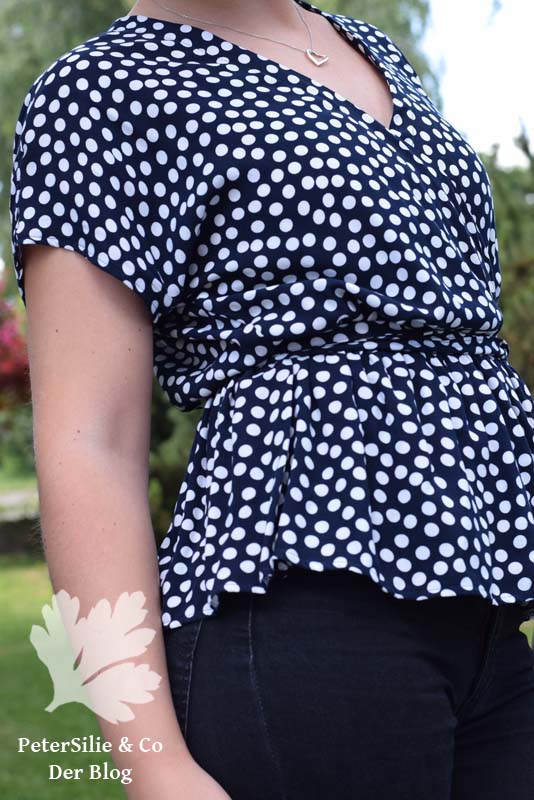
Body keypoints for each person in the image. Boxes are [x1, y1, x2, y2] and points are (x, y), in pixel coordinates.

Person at [9, 0, 534, 798]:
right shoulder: (102, 90)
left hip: (485, 627)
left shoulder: (369, 48)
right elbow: (90, 445)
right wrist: (152, 764)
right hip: (301, 614)